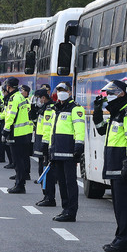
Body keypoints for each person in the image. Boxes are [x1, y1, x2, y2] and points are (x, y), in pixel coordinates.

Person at [93, 79, 127, 252]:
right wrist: (97, 111)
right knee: (118, 205)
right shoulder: (116, 113)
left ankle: (124, 241)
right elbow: (101, 130)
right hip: (114, 164)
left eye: (111, 93)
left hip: (122, 165)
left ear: (120, 93)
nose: (108, 96)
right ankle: (119, 238)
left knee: (123, 205)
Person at [41, 81, 85, 221]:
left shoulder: (75, 109)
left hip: (69, 152)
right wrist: (47, 147)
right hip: (56, 151)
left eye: (64, 90)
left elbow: (79, 129)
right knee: (61, 183)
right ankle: (65, 209)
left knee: (70, 183)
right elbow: (51, 130)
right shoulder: (55, 109)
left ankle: (71, 211)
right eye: (59, 90)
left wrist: (79, 146)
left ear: (70, 92)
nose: (61, 92)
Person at [2, 77, 32, 194]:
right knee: (22, 159)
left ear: (9, 87)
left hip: (16, 134)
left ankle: (19, 185)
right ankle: (21, 182)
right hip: (25, 133)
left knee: (17, 160)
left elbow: (10, 116)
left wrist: (5, 130)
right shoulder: (20, 96)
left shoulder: (13, 99)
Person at [31, 88, 55, 206]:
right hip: (41, 141)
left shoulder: (49, 109)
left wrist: (45, 145)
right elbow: (37, 124)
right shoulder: (42, 108)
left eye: (39, 98)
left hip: (45, 143)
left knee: (46, 171)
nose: (38, 100)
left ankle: (49, 197)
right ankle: (46, 195)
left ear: (43, 98)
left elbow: (47, 128)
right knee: (42, 169)